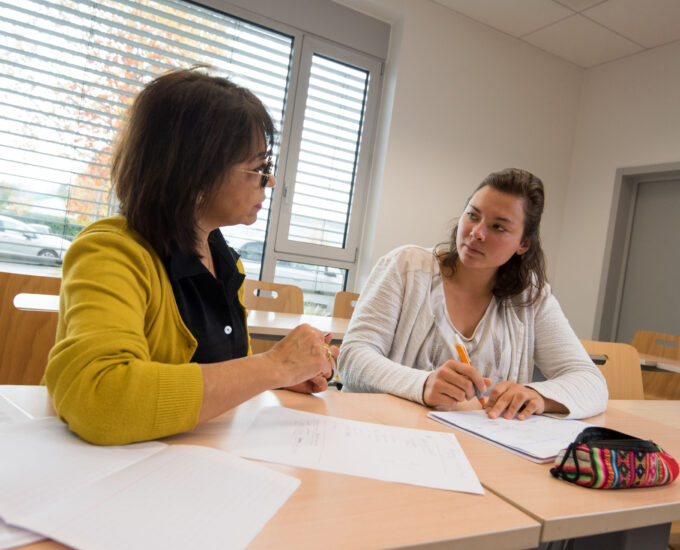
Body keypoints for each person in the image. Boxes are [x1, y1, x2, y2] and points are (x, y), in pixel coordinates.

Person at [45, 68, 337, 445]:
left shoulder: (224, 259)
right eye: (260, 167)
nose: (271, 181)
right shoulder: (110, 253)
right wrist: (272, 366)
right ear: (197, 171)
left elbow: (220, 375)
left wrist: (281, 375)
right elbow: (102, 397)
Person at [338, 168, 608, 420]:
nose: (477, 233)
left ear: (523, 244)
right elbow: (353, 358)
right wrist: (422, 384)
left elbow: (590, 381)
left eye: (499, 227)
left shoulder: (530, 298)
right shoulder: (405, 267)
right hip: (384, 431)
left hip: (478, 449)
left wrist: (538, 396)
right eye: (473, 215)